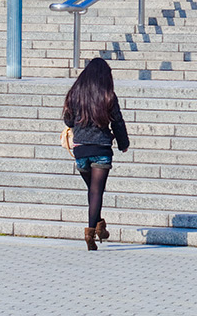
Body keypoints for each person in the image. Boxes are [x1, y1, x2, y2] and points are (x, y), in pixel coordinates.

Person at [62, 57, 130, 250]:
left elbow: (68, 121)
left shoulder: (75, 94)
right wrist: (123, 143)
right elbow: (117, 122)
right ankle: (91, 231)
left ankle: (99, 226)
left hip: (81, 149)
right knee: (96, 191)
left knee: (93, 191)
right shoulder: (108, 95)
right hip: (101, 148)